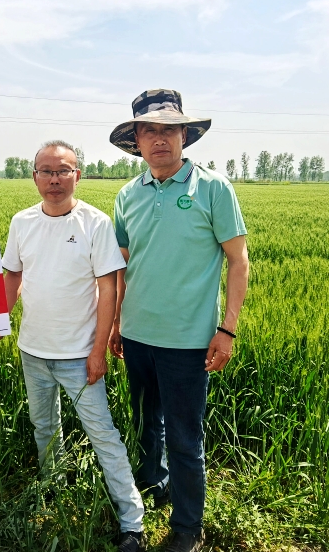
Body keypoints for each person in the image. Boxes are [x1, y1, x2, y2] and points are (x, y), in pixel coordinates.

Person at [108, 90, 250, 552]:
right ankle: (154, 484)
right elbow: (122, 266)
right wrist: (115, 323)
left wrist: (226, 329)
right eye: (148, 130)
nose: (159, 139)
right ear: (136, 140)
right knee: (146, 424)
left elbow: (238, 261)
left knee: (186, 439)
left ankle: (188, 527)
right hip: (136, 336)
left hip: (188, 341)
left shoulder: (212, 188)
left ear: (184, 135)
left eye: (168, 130)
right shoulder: (127, 195)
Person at [0, 140, 145, 552]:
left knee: (102, 433)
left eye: (63, 171)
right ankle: (53, 488)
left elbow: (108, 289)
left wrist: (98, 350)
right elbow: (12, 277)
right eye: (46, 171)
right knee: (44, 426)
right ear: (34, 176)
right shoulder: (22, 222)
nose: (54, 179)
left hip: (79, 355)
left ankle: (132, 521)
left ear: (78, 175)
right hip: (33, 350)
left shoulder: (95, 223)